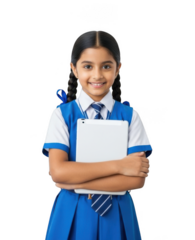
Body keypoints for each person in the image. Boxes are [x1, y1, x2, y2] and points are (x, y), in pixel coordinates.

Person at [42, 30, 153, 240]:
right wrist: (119, 166)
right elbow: (58, 172)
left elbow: (136, 180)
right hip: (72, 214)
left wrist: (72, 181)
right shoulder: (62, 116)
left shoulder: (130, 116)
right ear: (74, 68)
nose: (97, 75)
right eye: (87, 66)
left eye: (106, 66)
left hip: (118, 214)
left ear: (118, 68)